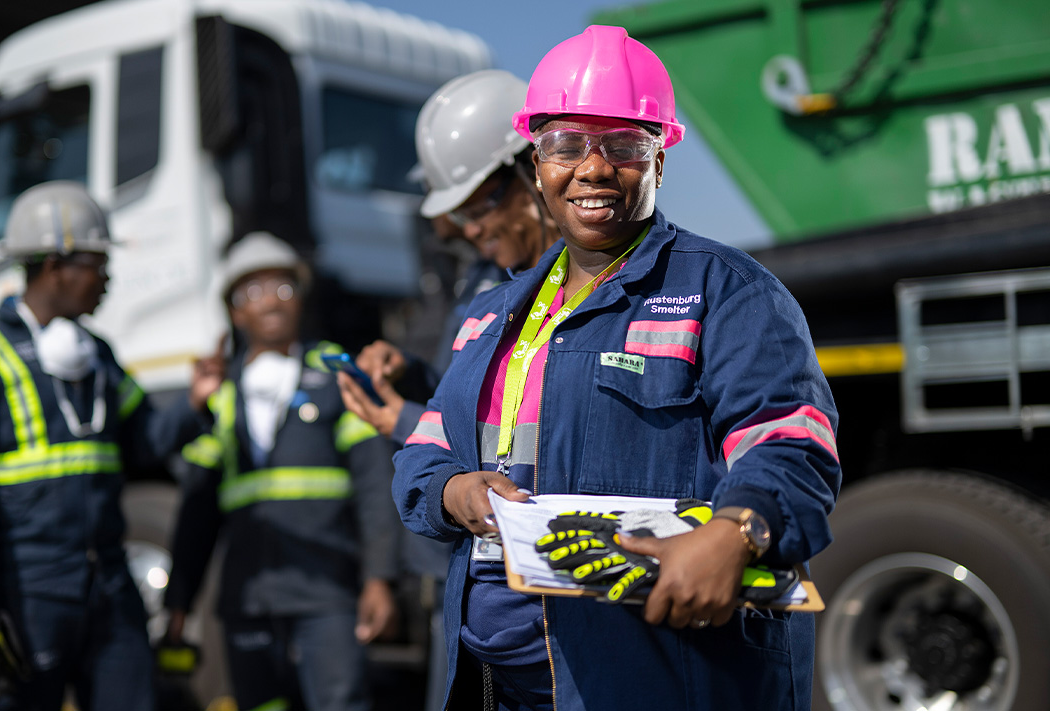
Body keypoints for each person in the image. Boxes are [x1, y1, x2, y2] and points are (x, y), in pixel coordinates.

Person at [391, 25, 841, 711]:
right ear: (536, 160)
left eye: (625, 145)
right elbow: (424, 452)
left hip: (649, 677)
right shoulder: (492, 316)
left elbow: (789, 443)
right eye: (566, 144)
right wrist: (457, 491)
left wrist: (737, 530)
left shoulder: (727, 291)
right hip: (499, 685)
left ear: (662, 157)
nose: (593, 168)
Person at [0, 181, 205, 710]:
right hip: (28, 592)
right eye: (98, 262)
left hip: (111, 587)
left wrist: (195, 404)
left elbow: (145, 441)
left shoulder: (97, 354)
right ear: (56, 265)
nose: (108, 278)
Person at [335, 69, 559, 711]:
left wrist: (407, 418)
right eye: (458, 215)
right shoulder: (488, 286)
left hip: (547, 588)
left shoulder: (589, 292)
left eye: (477, 206)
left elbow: (533, 435)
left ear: (531, 170)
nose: (465, 229)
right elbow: (466, 408)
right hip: (476, 569)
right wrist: (409, 379)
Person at [163, 232, 400, 711]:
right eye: (252, 292)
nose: (270, 301)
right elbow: (198, 510)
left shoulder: (337, 375)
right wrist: (179, 603)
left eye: (283, 288)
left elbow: (376, 482)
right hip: (249, 600)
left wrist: (380, 578)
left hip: (326, 594)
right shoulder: (222, 393)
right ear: (234, 312)